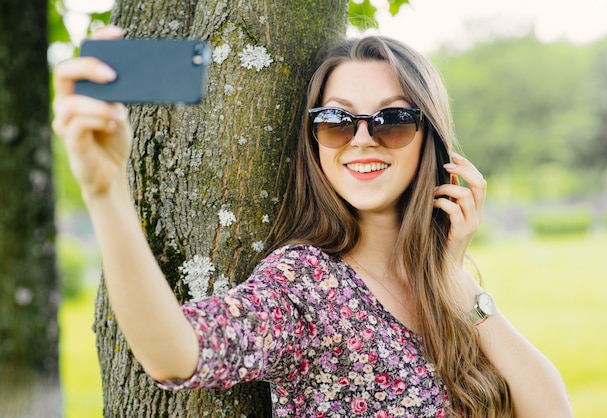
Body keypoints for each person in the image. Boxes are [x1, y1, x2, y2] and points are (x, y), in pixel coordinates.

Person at [52, 25, 573, 418]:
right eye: (336, 121)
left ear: (429, 140)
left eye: (392, 120)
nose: (362, 139)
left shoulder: (447, 290)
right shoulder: (307, 282)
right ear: (315, 141)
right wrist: (105, 194)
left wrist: (452, 274)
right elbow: (176, 353)